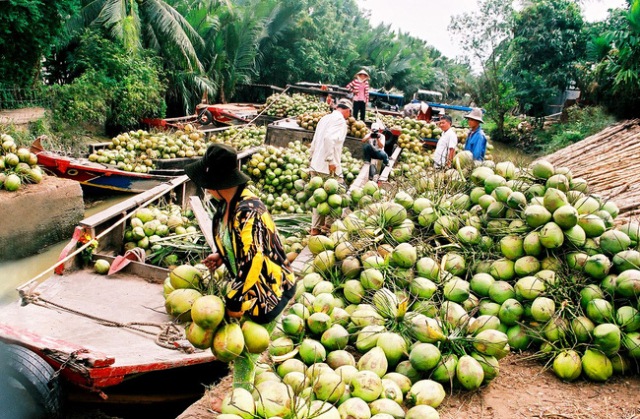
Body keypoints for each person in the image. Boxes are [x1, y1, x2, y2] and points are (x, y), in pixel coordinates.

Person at [184, 143, 296, 324]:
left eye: (207, 185)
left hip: (269, 293)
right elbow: (240, 242)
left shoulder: (248, 210)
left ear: (217, 183)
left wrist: (233, 301)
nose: (207, 189)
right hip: (249, 287)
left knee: (244, 347)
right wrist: (223, 255)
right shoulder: (229, 202)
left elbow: (254, 260)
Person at [308, 101, 352, 236]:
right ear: (347, 110)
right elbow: (329, 138)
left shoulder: (324, 118)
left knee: (319, 199)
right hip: (328, 167)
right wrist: (331, 160)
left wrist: (311, 158)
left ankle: (315, 229)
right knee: (335, 198)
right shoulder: (340, 120)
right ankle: (328, 228)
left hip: (316, 164)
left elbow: (315, 141)